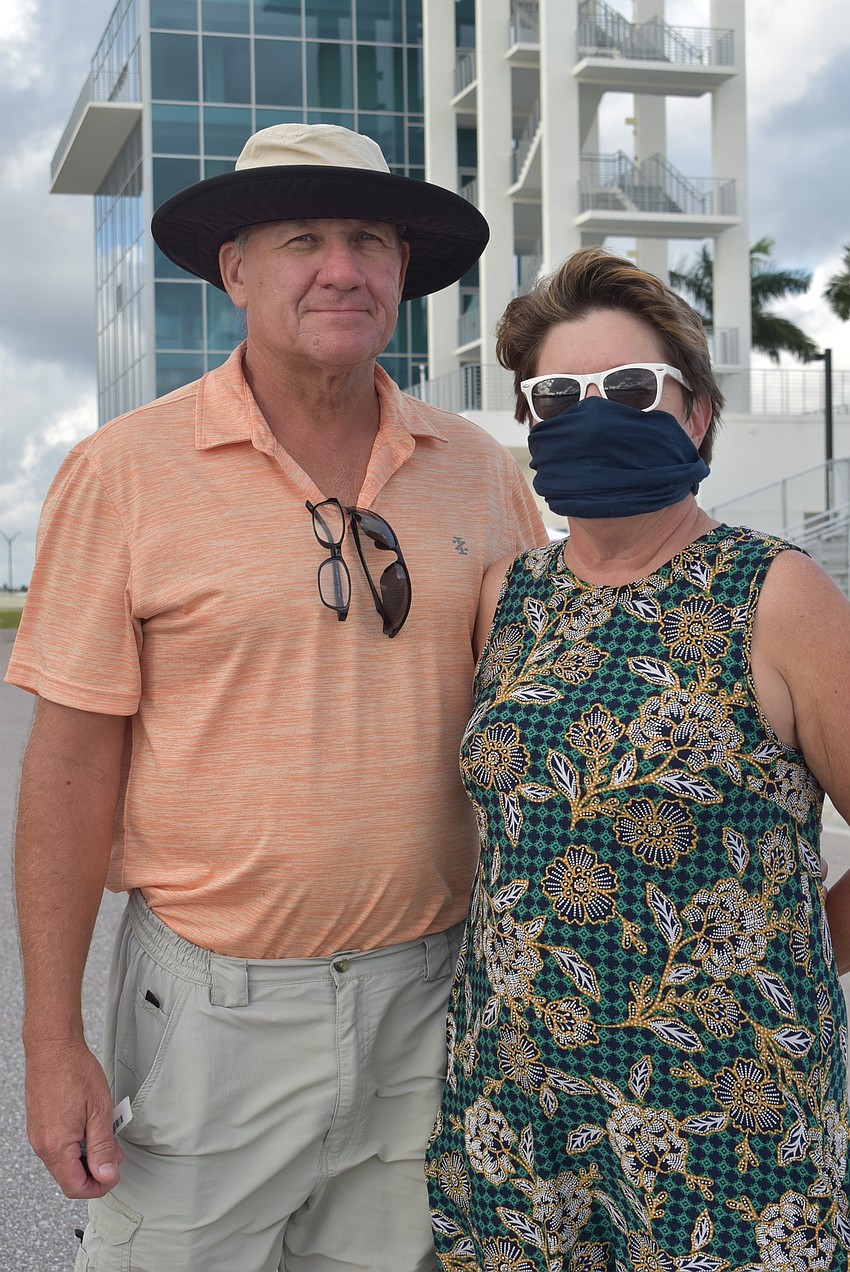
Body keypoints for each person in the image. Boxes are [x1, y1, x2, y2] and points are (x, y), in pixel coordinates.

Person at [7, 123, 548, 1270]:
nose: (339, 267)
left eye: (368, 239)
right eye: (302, 237)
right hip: (212, 1008)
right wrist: (51, 1037)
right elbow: (68, 766)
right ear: (234, 269)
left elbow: (536, 710)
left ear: (404, 270)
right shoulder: (123, 473)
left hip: (433, 995)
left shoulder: (482, 469)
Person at [426, 246, 850, 1268]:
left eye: (627, 387)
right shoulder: (505, 598)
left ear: (697, 412)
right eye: (556, 394)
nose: (590, 413)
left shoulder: (775, 594)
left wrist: (793, 958)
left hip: (724, 1116)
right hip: (516, 1095)